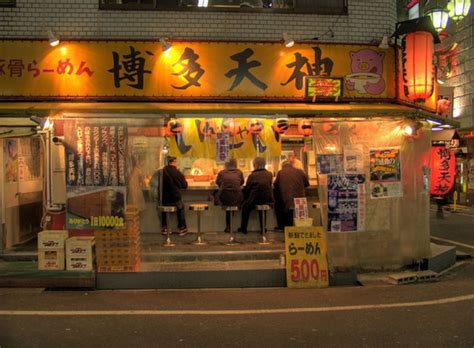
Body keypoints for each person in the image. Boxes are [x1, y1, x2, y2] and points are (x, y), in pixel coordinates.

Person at [154, 156, 188, 236]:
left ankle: (165, 228)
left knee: (163, 208)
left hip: (163, 198)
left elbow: (153, 183)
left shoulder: (161, 172)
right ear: (174, 162)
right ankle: (182, 228)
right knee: (180, 207)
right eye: (176, 162)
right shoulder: (177, 172)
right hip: (174, 197)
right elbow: (185, 185)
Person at [238, 157, 274, 234]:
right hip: (267, 199)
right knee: (263, 210)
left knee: (245, 208)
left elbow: (247, 188)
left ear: (255, 164)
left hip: (254, 199)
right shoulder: (269, 174)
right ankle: (263, 228)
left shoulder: (252, 176)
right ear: (264, 164)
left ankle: (243, 228)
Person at [273, 159, 309, 231]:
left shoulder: (280, 172)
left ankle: (282, 227)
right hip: (300, 200)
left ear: (282, 166)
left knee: (279, 205)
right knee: (290, 206)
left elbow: (275, 185)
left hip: (286, 199)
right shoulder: (300, 171)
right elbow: (307, 184)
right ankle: (301, 226)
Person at [215, 158, 244, 232]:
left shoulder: (221, 173)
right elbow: (242, 182)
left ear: (226, 164)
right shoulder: (239, 172)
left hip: (224, 198)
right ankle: (230, 226)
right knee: (234, 200)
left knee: (225, 199)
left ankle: (228, 226)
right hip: (237, 198)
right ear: (236, 164)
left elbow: (218, 183)